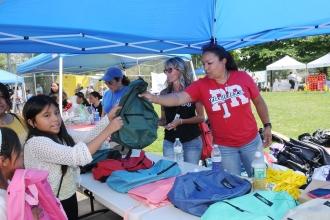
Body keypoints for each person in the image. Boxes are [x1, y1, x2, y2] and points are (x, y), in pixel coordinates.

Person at [140, 43, 272, 177]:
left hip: (251, 142)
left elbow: (259, 102)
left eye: (209, 63)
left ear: (223, 61)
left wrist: (267, 125)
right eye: (203, 64)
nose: (205, 68)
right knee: (233, 185)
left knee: (259, 180)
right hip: (224, 147)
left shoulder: (242, 77)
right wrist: (155, 98)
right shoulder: (201, 85)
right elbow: (178, 98)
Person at [22, 95, 123, 220]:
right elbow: (78, 156)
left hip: (67, 196)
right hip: (51, 202)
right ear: (32, 122)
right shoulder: (36, 143)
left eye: (56, 113)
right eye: (47, 115)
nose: (55, 119)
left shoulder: (59, 135)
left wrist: (108, 118)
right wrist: (108, 130)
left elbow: (87, 137)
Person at [159, 57, 204, 164]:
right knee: (171, 174)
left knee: (190, 174)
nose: (167, 74)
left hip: (191, 140)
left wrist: (181, 121)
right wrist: (154, 122)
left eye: (170, 70)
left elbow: (201, 117)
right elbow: (164, 119)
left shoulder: (193, 90)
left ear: (180, 69)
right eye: (165, 70)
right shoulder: (164, 93)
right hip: (170, 141)